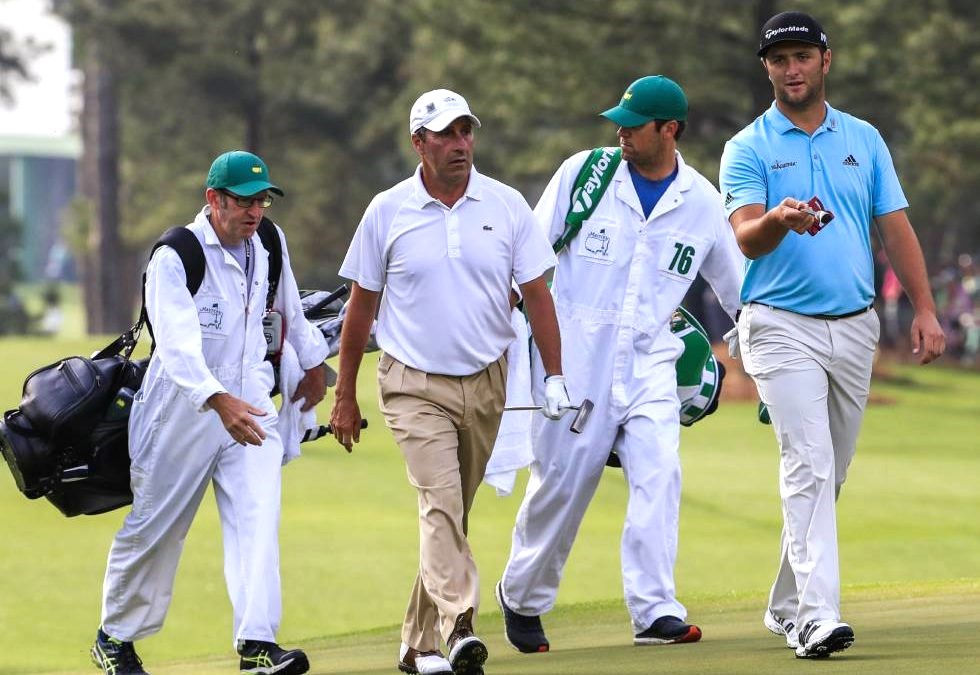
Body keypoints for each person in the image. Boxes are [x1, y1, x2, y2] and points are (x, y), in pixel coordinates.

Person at [719, 11, 946, 659]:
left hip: (855, 325)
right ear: (766, 69)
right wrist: (778, 220)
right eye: (778, 59)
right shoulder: (747, 147)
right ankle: (817, 617)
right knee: (809, 463)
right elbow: (746, 236)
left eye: (801, 57)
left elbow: (895, 227)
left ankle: (785, 602)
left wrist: (926, 310)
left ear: (826, 60)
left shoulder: (864, 139)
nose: (791, 69)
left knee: (832, 471)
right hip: (778, 323)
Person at [495, 76, 743, 653]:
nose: (621, 133)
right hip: (573, 361)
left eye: (634, 125)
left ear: (670, 130)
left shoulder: (703, 203)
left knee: (660, 475)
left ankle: (655, 610)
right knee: (561, 487)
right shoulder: (584, 174)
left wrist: (765, 359)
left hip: (652, 362)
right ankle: (523, 596)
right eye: (619, 124)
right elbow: (527, 258)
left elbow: (739, 294)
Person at [329, 89, 568, 675]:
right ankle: (460, 624)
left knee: (450, 517)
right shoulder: (387, 210)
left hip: (487, 381)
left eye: (466, 131)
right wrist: (344, 394)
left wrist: (555, 375)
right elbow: (360, 308)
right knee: (440, 503)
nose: (461, 143)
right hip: (412, 383)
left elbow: (537, 295)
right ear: (419, 143)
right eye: (447, 134)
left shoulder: (506, 204)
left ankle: (417, 647)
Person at [90, 151, 328, 675]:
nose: (254, 212)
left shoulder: (270, 241)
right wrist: (217, 400)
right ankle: (115, 638)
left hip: (251, 403)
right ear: (213, 199)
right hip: (180, 411)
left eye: (261, 201)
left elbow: (289, 307)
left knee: (258, 520)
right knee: (157, 528)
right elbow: (176, 347)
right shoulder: (176, 255)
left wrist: (312, 365)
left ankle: (257, 645)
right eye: (243, 202)